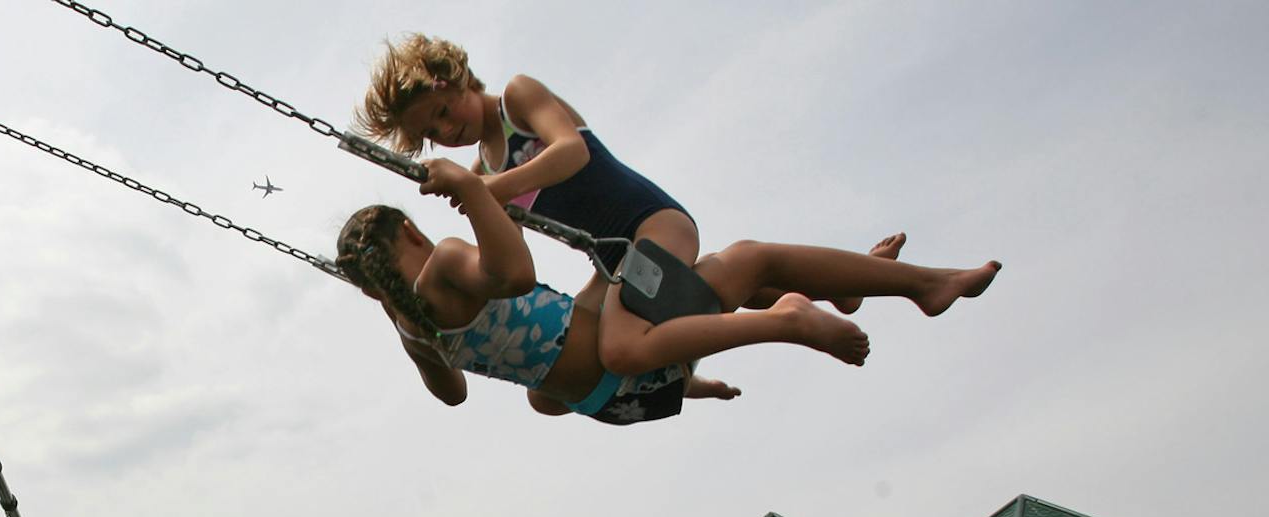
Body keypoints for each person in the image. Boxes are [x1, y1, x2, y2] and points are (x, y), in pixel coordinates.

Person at [356, 36, 956, 385]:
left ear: (448, 77)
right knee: (583, 364)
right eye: (432, 134)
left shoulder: (517, 98)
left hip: (650, 222)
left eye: (440, 110)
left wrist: (492, 189)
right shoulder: (486, 173)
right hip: (611, 258)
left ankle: (901, 290)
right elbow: (518, 255)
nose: (446, 130)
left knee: (622, 347)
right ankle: (837, 288)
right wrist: (483, 203)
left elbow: (571, 152)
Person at [333, 160, 998, 425]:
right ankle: (910, 287)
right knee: (744, 261)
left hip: (606, 401)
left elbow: (452, 393)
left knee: (662, 287)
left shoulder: (413, 329)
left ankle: (840, 285)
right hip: (621, 362)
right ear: (410, 232)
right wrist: (476, 192)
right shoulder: (445, 262)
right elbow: (515, 275)